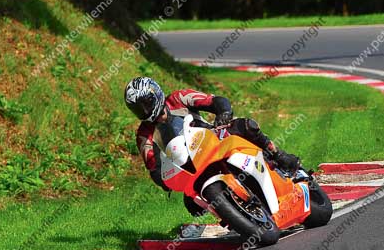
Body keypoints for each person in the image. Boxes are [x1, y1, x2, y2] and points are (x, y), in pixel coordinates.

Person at [124, 76, 300, 215]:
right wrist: (164, 180)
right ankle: (234, 215)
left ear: (155, 94)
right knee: (193, 206)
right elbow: (153, 167)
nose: (144, 111)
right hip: (190, 169)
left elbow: (214, 100)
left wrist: (223, 113)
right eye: (138, 109)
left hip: (214, 140)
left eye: (146, 104)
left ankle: (278, 155)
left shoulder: (178, 98)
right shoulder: (143, 134)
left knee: (246, 126)